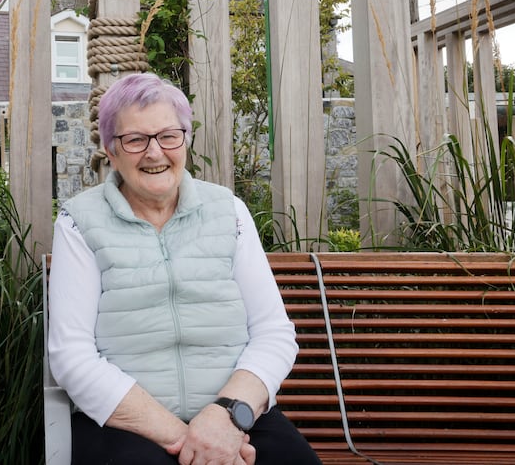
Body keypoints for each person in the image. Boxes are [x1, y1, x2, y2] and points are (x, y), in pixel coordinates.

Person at [48, 73, 321, 465]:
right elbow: (72, 355)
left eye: (168, 136)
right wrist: (193, 440)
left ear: (185, 140)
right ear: (111, 149)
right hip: (128, 426)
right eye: (135, 139)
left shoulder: (229, 211)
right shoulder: (78, 222)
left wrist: (224, 419)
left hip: (235, 417)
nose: (155, 153)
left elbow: (274, 333)